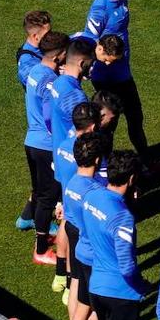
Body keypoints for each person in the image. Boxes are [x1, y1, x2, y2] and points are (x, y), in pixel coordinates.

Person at [85, 150, 147, 320]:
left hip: (97, 286)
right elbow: (127, 266)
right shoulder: (122, 216)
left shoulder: (92, 197)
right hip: (120, 293)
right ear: (131, 179)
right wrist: (141, 286)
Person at [84, 0, 151, 161]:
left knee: (136, 118)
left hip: (124, 74)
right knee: (108, 126)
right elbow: (88, 42)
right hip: (107, 79)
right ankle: (103, 167)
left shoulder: (122, 0)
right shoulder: (99, 10)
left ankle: (148, 163)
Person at [49, 41, 95, 293]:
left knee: (67, 217)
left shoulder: (59, 82)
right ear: (81, 62)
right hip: (74, 159)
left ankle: (60, 275)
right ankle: (71, 281)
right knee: (74, 221)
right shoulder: (75, 96)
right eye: (91, 63)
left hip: (61, 154)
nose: (93, 68)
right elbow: (82, 128)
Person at [23, 30, 69, 265]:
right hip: (45, 146)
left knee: (42, 194)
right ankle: (41, 249)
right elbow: (52, 116)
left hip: (32, 141)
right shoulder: (48, 81)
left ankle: (41, 235)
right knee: (47, 197)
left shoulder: (35, 71)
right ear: (60, 55)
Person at [64, 132, 110, 320]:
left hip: (80, 250)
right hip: (93, 256)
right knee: (103, 318)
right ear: (97, 160)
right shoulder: (94, 192)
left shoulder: (72, 182)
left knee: (82, 309)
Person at [15, 10, 52, 231]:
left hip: (40, 126)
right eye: (47, 33)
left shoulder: (41, 52)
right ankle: (42, 224)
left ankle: (27, 217)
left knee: (42, 182)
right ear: (36, 37)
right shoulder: (27, 60)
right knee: (49, 184)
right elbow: (33, 79)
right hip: (42, 126)